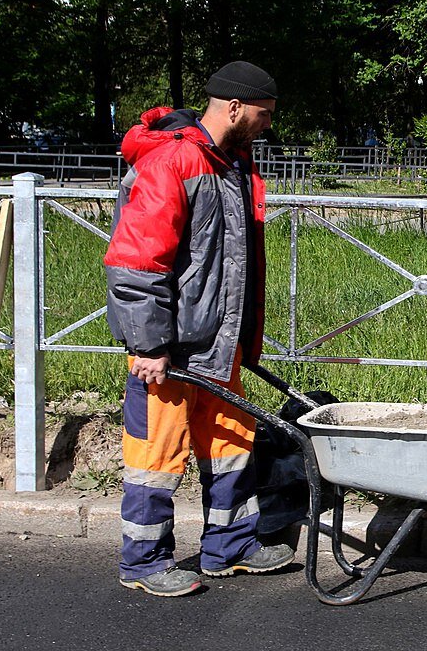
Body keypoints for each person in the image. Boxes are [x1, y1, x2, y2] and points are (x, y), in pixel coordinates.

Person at [104, 61, 294, 597]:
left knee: (230, 441)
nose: (266, 125)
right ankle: (143, 561)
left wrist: (240, 338)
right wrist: (149, 344)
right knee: (156, 458)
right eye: (263, 115)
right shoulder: (174, 162)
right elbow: (138, 261)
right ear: (234, 108)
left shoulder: (231, 165)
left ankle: (227, 546)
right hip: (168, 350)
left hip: (218, 343)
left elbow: (229, 263)